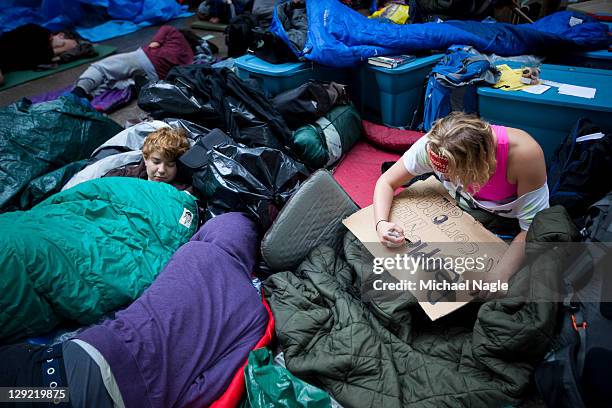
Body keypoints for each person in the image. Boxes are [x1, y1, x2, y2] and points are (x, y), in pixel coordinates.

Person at [0, 212, 269, 408]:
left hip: (86, 350)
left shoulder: (192, 252)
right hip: (109, 392)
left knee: (14, 383)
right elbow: (209, 386)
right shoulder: (255, 314)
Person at [373, 112, 549, 298]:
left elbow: (531, 228)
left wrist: (501, 273)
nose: (449, 180)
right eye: (444, 176)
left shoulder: (524, 155)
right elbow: (386, 182)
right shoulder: (435, 145)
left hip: (508, 223)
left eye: (455, 176)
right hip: (462, 211)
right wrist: (381, 223)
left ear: (481, 165)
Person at [72, 25, 195, 99]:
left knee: (102, 68)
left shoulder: (172, 31)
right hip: (157, 76)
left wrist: (154, 44)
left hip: (146, 58)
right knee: (115, 82)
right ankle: (131, 85)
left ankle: (79, 91)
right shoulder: (190, 56)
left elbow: (154, 44)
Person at [104, 127, 192, 191]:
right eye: (156, 162)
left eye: (170, 165)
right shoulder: (122, 177)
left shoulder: (184, 193)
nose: (161, 170)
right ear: (145, 159)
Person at [0, 24, 79, 85]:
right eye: (63, 44)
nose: (61, 50)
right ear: (61, 35)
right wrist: (65, 47)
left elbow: (32, 57)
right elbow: (36, 55)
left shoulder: (40, 47)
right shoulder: (36, 32)